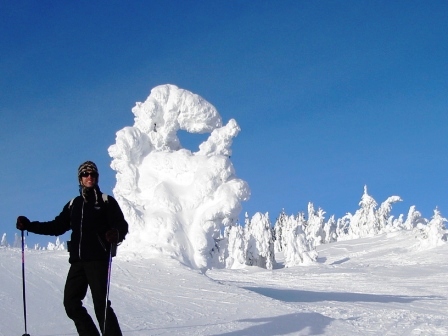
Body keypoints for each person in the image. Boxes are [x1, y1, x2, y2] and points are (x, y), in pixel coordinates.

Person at [16, 161, 128, 336]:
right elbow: (56, 226)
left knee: (100, 304)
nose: (89, 177)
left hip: (98, 258)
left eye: (93, 174)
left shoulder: (106, 201)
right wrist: (29, 225)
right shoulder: (73, 204)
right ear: (80, 178)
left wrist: (116, 233)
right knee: (71, 303)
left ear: (97, 178)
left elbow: (121, 225)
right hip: (78, 262)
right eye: (85, 174)